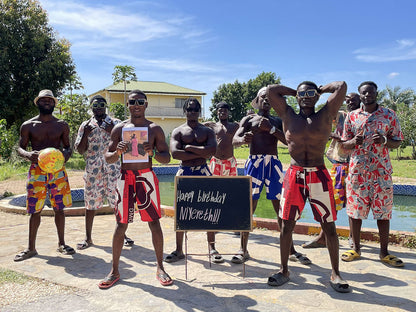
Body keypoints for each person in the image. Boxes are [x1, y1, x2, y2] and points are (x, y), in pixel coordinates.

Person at [267, 81, 350, 293]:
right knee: (286, 226)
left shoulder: (325, 114)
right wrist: (297, 91)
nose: (306, 96)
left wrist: (320, 90)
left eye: (310, 93)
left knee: (329, 226)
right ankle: (284, 270)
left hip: (318, 174)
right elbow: (271, 90)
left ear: (317, 97)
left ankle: (335, 273)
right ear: (296, 96)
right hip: (294, 175)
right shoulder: (288, 115)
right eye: (302, 93)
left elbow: (341, 86)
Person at [98, 89, 172, 289]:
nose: (136, 105)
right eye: (132, 102)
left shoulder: (154, 129)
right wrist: (118, 151)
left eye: (140, 101)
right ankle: (114, 270)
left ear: (146, 105)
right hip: (125, 178)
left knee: (154, 223)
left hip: (146, 177)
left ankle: (160, 267)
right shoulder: (119, 129)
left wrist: (152, 152)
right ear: (127, 105)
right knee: (120, 224)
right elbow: (107, 156)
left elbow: (167, 158)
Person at [232, 87, 311, 265]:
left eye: (269, 98)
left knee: (281, 209)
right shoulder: (248, 119)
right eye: (263, 97)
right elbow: (234, 140)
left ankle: (291, 250)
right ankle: (242, 249)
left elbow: (287, 141)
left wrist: (272, 129)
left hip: (273, 165)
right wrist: (243, 140)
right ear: (257, 100)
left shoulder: (278, 120)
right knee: (249, 207)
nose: (266, 100)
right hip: (254, 164)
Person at [341, 81, 404, 267]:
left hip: (381, 172)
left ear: (376, 94)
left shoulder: (389, 115)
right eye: (364, 93)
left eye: (371, 92)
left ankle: (384, 252)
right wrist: (353, 141)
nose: (367, 95)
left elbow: (397, 141)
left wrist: (385, 140)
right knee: (355, 212)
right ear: (359, 95)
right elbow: (344, 144)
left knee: (383, 212)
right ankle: (356, 248)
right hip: (358, 172)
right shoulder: (352, 116)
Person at [14, 89, 75, 261]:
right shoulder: (28, 125)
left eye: (50, 100)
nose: (47, 102)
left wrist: (66, 155)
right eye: (43, 100)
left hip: (57, 171)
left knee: (59, 208)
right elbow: (20, 147)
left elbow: (68, 146)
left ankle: (62, 244)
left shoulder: (62, 125)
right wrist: (28, 155)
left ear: (54, 104)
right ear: (38, 103)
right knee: (35, 209)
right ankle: (31, 248)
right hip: (37, 171)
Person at [74, 95, 134, 250]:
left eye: (101, 104)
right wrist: (86, 133)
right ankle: (88, 237)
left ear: (106, 106)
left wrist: (111, 131)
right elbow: (80, 150)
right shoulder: (85, 125)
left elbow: (128, 145)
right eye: (95, 104)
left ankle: (123, 234)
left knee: (117, 202)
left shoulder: (116, 123)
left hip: (113, 169)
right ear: (91, 107)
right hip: (93, 170)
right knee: (90, 203)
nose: (99, 107)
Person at [302, 92, 361, 249]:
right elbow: (323, 126)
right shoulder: (340, 115)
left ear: (359, 101)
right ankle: (323, 236)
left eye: (353, 101)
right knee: (331, 201)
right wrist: (339, 137)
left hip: (357, 164)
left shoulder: (362, 117)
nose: (350, 103)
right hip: (339, 163)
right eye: (347, 100)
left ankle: (352, 238)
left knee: (353, 202)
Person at [164, 98, 218, 263]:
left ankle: (212, 247)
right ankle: (179, 249)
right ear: (185, 111)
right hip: (185, 171)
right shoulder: (178, 131)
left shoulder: (207, 131)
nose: (192, 112)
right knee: (182, 210)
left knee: (210, 208)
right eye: (189, 109)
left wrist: (190, 148)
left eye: (195, 109)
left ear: (199, 112)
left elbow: (212, 151)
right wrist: (201, 152)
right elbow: (175, 153)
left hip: (202, 171)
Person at [203, 102, 239, 262]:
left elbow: (246, 126)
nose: (222, 112)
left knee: (232, 194)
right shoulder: (211, 125)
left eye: (225, 110)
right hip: (216, 162)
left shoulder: (234, 126)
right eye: (220, 110)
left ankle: (235, 224)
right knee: (214, 195)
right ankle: (215, 225)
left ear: (228, 112)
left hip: (230, 162)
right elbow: (196, 125)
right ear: (217, 112)